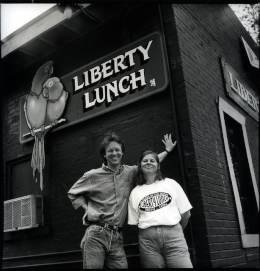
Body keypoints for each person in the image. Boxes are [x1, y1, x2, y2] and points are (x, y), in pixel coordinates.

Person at [67, 132, 176, 269]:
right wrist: (86, 208)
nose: (114, 153)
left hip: (117, 236)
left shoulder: (129, 172)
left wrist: (167, 151)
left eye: (117, 150)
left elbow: (149, 164)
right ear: (105, 155)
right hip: (96, 233)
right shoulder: (92, 175)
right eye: (110, 151)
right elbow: (72, 193)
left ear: (122, 153)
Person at [128, 150, 193, 268]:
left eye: (152, 160)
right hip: (148, 243)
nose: (148, 163)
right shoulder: (135, 192)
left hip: (174, 237)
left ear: (158, 165)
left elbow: (186, 213)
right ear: (140, 165)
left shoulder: (171, 184)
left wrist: (175, 231)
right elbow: (134, 222)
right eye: (145, 161)